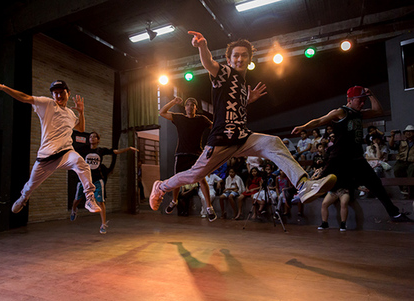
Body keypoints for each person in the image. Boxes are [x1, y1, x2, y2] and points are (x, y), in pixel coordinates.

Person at [149, 31, 336, 218]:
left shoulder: (241, 83)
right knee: (194, 176)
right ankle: (161, 186)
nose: (240, 59)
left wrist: (247, 100)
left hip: (241, 137)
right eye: (236, 55)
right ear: (229, 60)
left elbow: (230, 108)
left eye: (244, 55)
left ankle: (304, 184)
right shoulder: (225, 73)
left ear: (249, 59)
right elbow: (209, 64)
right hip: (222, 139)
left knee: (274, 142)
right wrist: (203, 46)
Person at [292, 86, 412, 222]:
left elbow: (378, 111)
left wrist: (371, 94)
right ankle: (295, 193)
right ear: (349, 100)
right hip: (339, 158)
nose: (362, 104)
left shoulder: (360, 114)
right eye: (359, 101)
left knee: (376, 184)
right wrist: (303, 127)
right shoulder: (341, 112)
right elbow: (319, 120)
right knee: (319, 181)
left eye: (364, 101)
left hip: (356, 158)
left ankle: (394, 214)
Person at [0, 78, 101, 215]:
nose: (58, 96)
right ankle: (23, 198)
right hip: (46, 157)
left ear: (68, 93)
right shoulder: (48, 105)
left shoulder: (70, 113)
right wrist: (3, 87)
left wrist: (81, 112)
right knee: (30, 186)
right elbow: (25, 98)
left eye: (61, 92)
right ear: (52, 95)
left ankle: (89, 198)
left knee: (81, 163)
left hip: (65, 153)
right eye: (55, 93)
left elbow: (81, 128)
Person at [71, 131, 138, 234]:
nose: (92, 138)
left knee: (100, 201)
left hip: (98, 179)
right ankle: (74, 210)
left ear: (98, 140)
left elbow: (115, 151)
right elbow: (71, 150)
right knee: (77, 199)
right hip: (85, 179)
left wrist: (128, 148)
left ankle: (103, 224)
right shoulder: (83, 149)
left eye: (94, 137)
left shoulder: (101, 150)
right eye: (90, 137)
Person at [159, 96, 213, 218]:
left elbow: (214, 127)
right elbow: (162, 112)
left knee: (202, 180)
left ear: (195, 108)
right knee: (177, 180)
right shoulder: (179, 118)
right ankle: (174, 201)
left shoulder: (201, 119)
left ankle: (209, 207)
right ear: (185, 107)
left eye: (192, 105)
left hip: (196, 154)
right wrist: (173, 102)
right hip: (181, 153)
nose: (190, 106)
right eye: (188, 104)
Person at [389, 125, 414, 198]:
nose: (408, 133)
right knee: (397, 169)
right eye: (406, 132)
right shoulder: (401, 142)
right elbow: (391, 146)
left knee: (412, 170)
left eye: (410, 132)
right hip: (402, 161)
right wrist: (392, 136)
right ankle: (403, 189)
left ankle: (409, 190)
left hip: (412, 161)